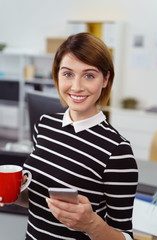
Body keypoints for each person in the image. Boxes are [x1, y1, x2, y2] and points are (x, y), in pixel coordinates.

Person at [0, 32, 138, 240]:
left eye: (89, 75)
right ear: (57, 75)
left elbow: (125, 236)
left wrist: (92, 225)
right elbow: (39, 200)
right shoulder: (45, 124)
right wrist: (12, 194)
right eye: (68, 74)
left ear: (105, 79)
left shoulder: (118, 151)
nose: (76, 86)